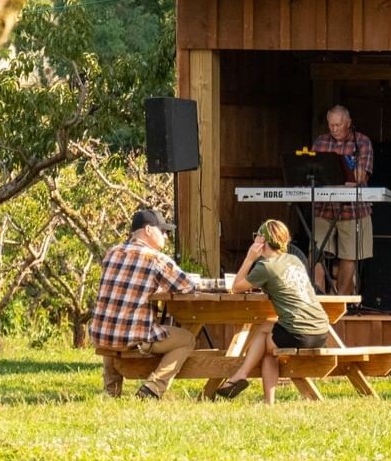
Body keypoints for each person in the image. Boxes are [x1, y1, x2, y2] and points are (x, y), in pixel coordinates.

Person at [215, 219, 330, 404]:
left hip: (299, 332)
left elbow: (236, 287)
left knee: (265, 342)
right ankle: (256, 392)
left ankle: (241, 376)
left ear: (262, 241)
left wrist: (249, 258)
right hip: (321, 331)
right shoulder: (294, 260)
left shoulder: (266, 266)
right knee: (267, 328)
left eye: (257, 237)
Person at [89, 209, 196, 400]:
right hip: (133, 338)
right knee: (187, 339)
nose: (166, 236)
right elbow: (187, 287)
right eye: (163, 231)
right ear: (148, 230)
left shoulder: (112, 253)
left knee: (114, 321)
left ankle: (110, 391)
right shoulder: (155, 259)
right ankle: (153, 388)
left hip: (100, 334)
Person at [311, 104, 374, 295]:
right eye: (331, 125)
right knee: (316, 254)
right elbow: (310, 170)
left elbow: (362, 176)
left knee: (350, 256)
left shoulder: (361, 142)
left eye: (338, 125)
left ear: (348, 123)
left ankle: (341, 301)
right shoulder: (321, 142)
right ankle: (317, 300)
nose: (334, 129)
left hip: (354, 209)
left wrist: (351, 174)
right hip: (324, 208)